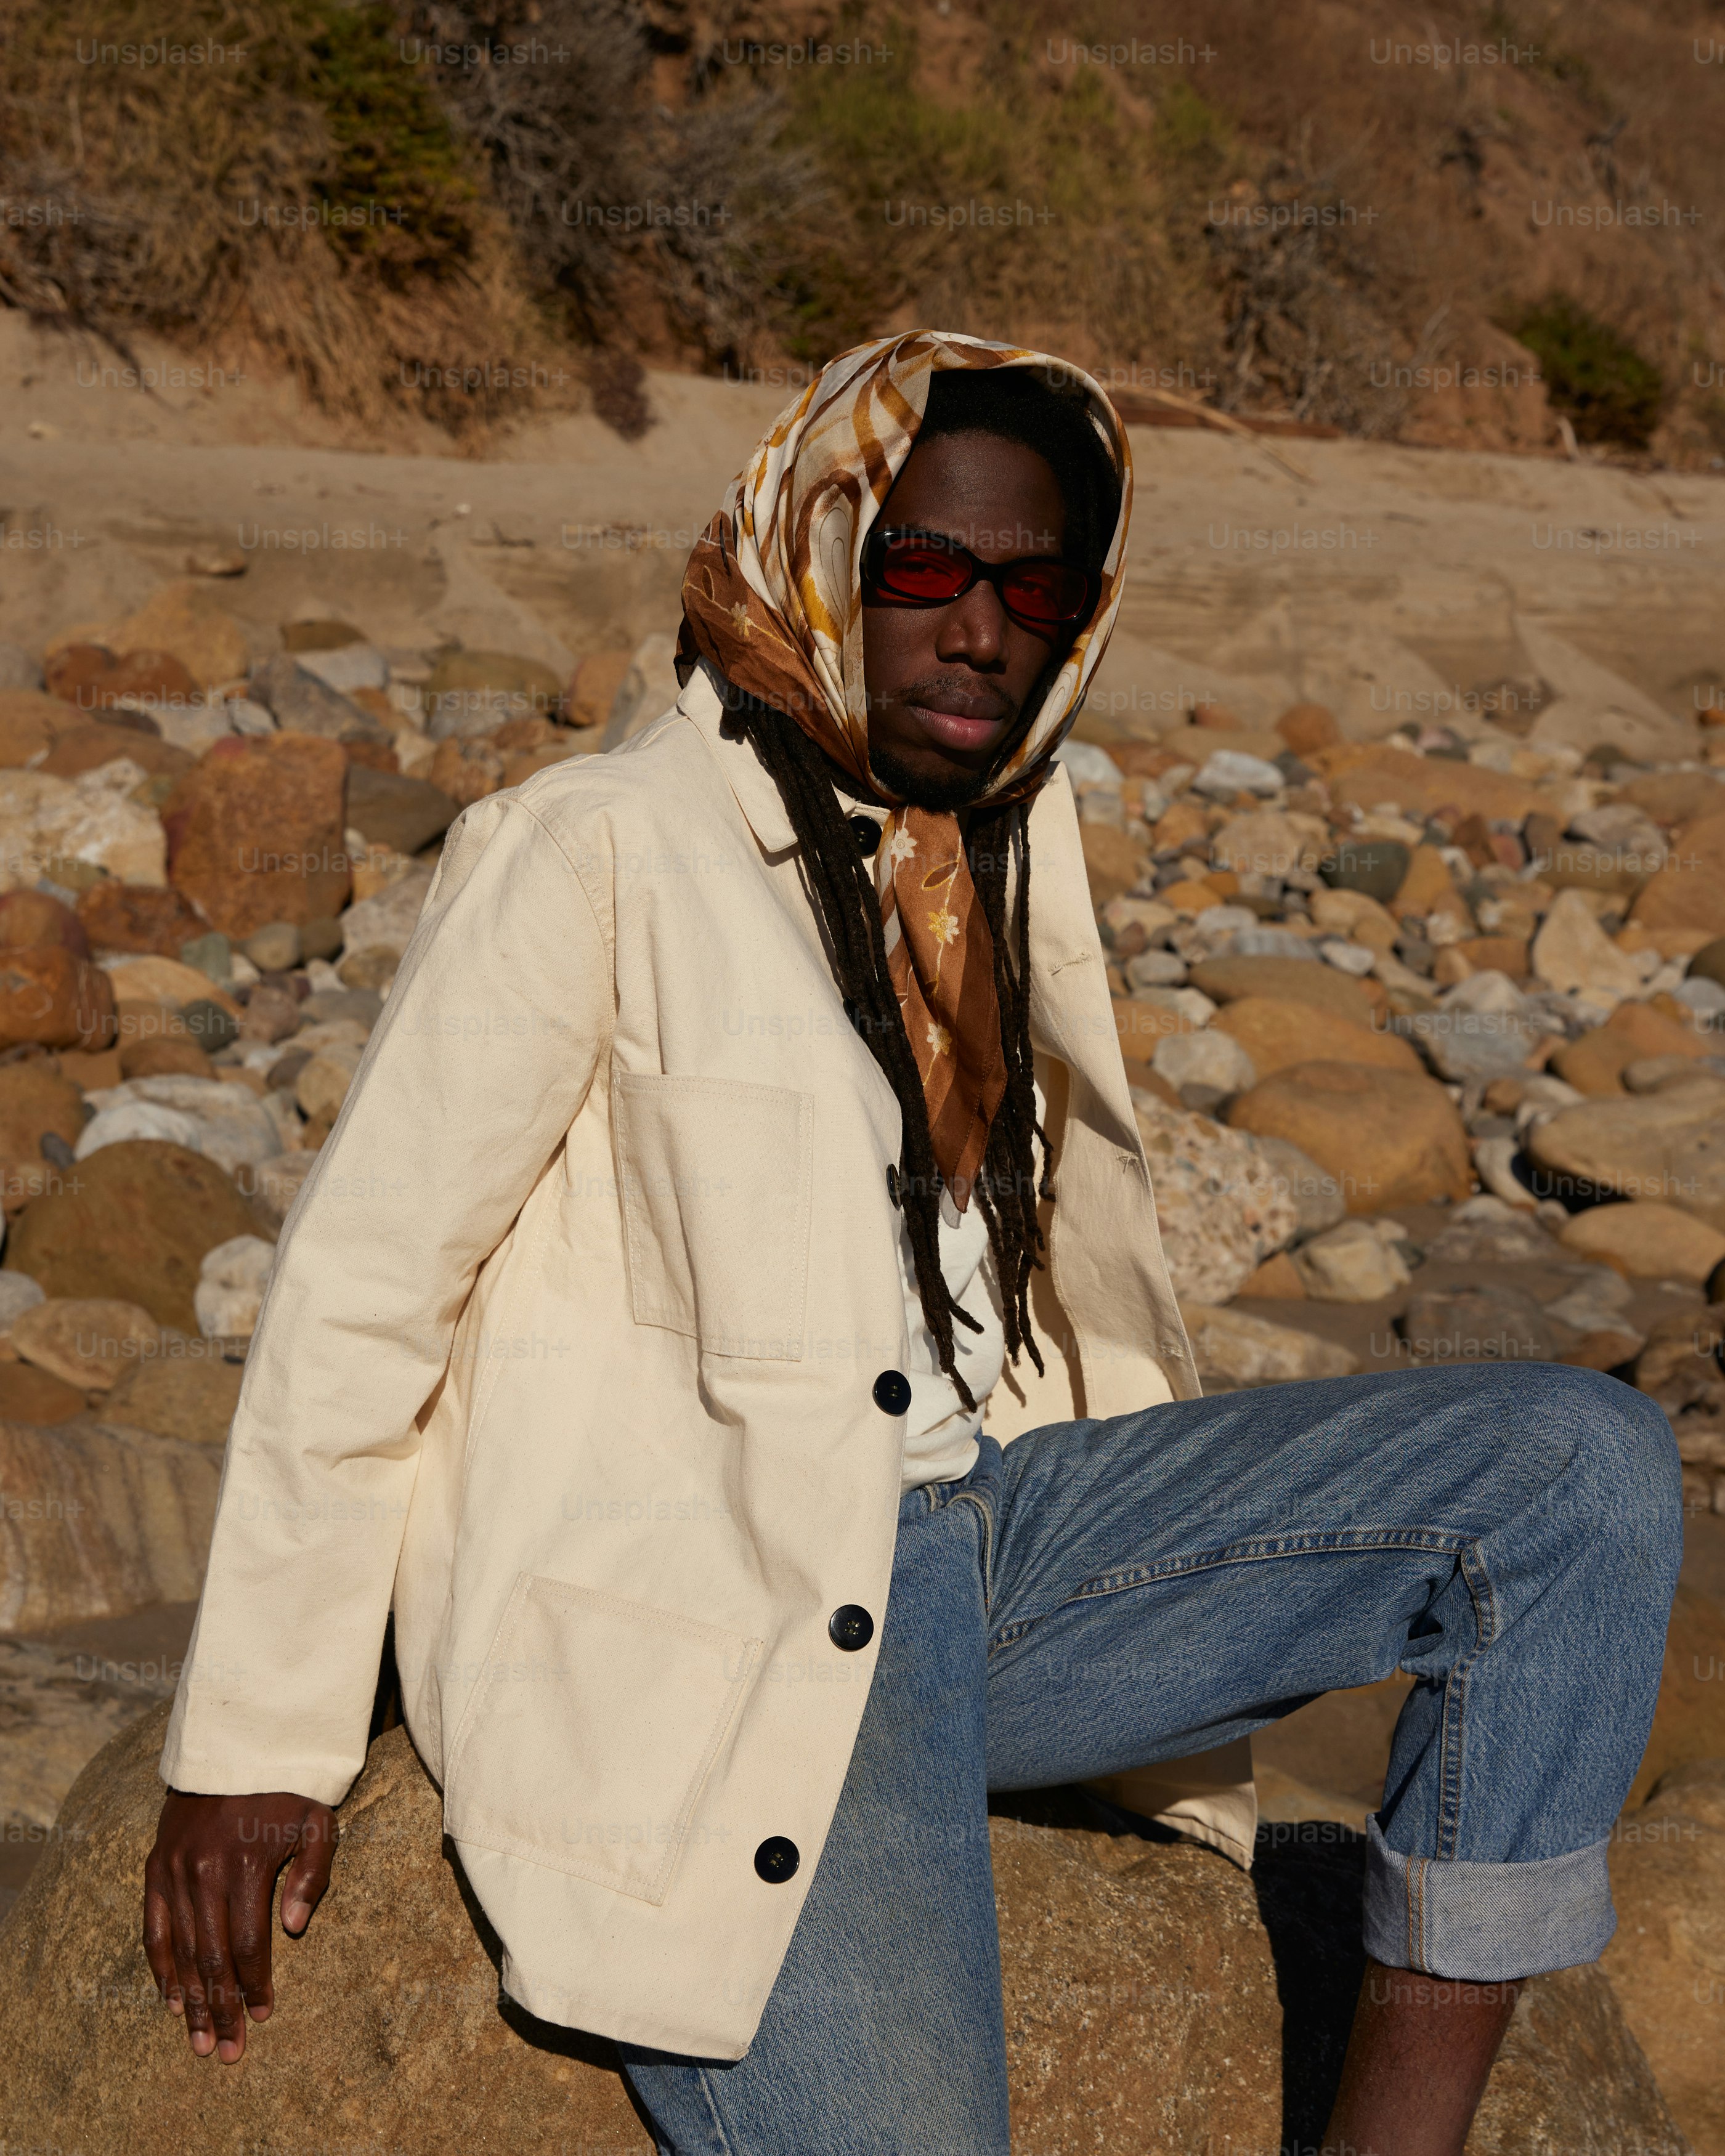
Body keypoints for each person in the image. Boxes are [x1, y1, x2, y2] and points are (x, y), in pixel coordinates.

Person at [145, 332, 1681, 2156]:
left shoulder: (986, 854)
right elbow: (361, 1286)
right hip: (736, 1600)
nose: (980, 629)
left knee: (1580, 1477)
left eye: (1031, 587)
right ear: (819, 550)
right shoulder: (595, 845)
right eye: (924, 571)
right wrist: (254, 1737)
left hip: (1006, 1548)